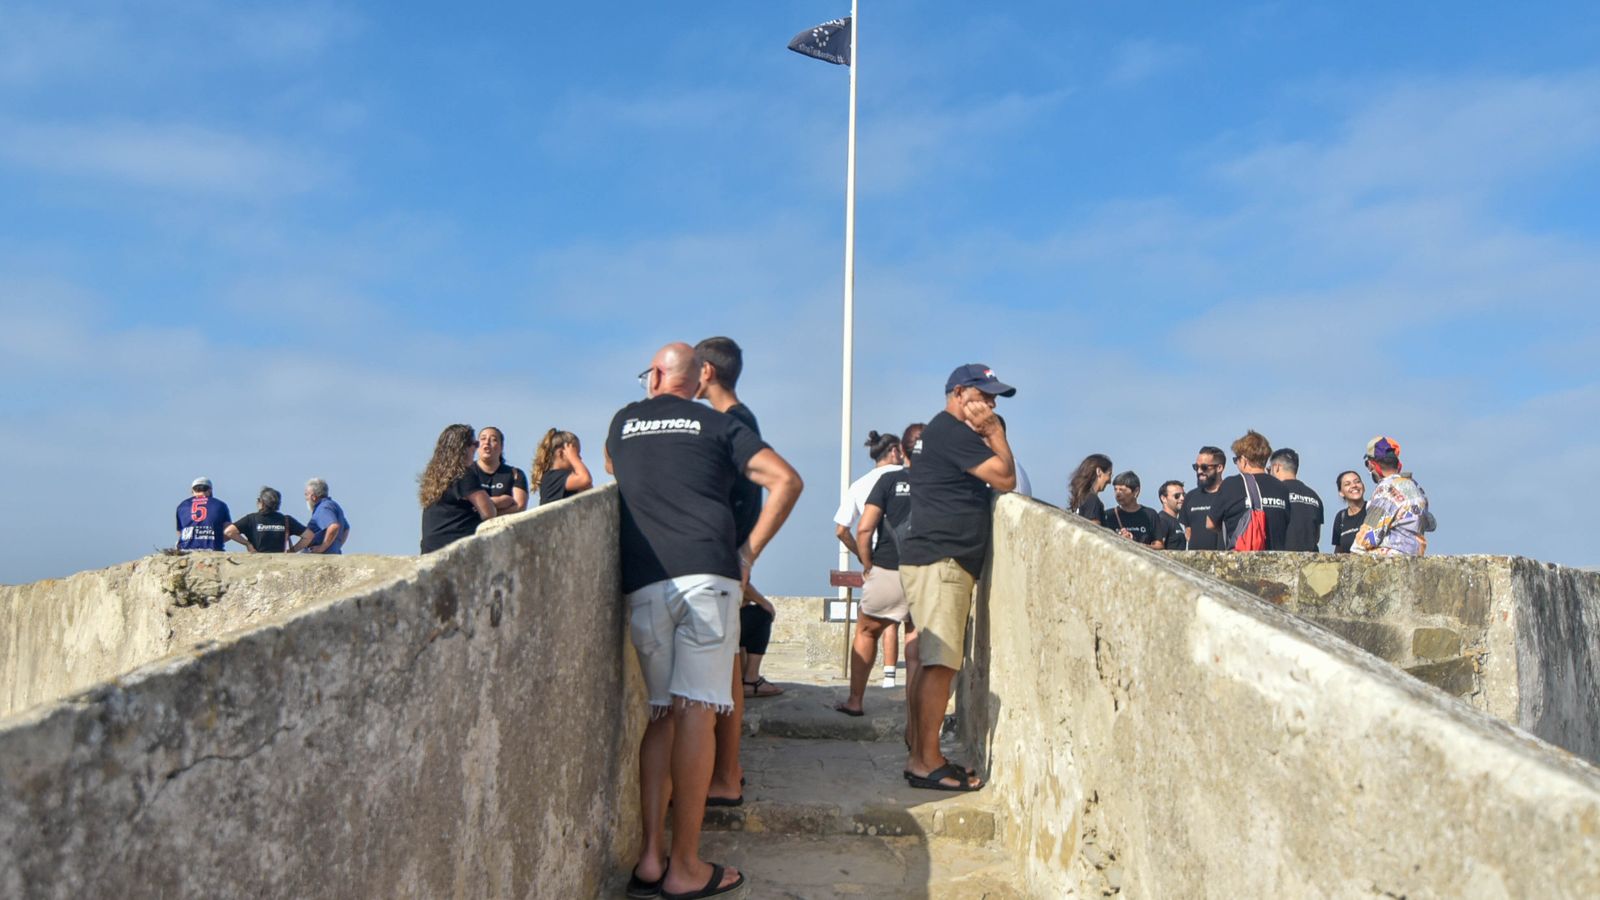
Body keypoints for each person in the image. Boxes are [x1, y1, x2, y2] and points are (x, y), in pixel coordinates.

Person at [609, 341, 802, 900]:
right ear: (697, 380)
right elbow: (786, 480)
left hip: (646, 583)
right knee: (697, 714)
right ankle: (686, 866)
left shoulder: (623, 423)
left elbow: (610, 463)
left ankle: (650, 858)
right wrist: (748, 555)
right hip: (706, 579)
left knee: (662, 714)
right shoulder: (716, 426)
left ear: (653, 379)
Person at [900, 363, 1017, 792]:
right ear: (960, 393)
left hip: (935, 558)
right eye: (985, 396)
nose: (990, 405)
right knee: (941, 665)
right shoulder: (953, 431)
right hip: (942, 561)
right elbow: (1005, 478)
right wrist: (996, 434)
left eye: (994, 400)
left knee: (934, 662)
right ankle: (925, 761)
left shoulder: (941, 431)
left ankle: (921, 752)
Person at [837, 430, 915, 716]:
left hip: (883, 566)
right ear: (896, 451)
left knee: (870, 629)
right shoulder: (934, 480)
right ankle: (910, 701)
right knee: (914, 634)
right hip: (922, 568)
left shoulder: (865, 483)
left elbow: (846, 529)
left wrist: (865, 560)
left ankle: (856, 699)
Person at [1352, 436, 1436, 557]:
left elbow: (1368, 538)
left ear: (1371, 465)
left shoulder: (1386, 490)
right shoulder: (1416, 487)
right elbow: (1431, 524)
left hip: (1392, 560)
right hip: (1416, 556)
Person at [1206, 431, 1290, 551]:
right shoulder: (1282, 488)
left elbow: (1210, 523)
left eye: (1236, 459)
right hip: (1276, 563)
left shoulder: (1231, 484)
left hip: (1244, 561)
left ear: (1244, 460)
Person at [418, 426, 496, 554]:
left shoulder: (434, 476)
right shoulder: (464, 474)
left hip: (430, 550)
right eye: (475, 444)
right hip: (455, 549)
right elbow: (489, 512)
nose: (476, 448)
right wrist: (500, 502)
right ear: (463, 448)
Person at [1269, 448, 1325, 552]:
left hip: (1282, 560)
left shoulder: (1273, 493)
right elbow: (1316, 537)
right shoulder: (1314, 496)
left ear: (1276, 467)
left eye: (1269, 469)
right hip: (1311, 561)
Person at [225, 487, 305, 553]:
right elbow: (308, 536)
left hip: (257, 562)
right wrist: (292, 551)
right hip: (279, 563)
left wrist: (247, 544)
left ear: (262, 502)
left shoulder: (251, 519)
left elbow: (229, 532)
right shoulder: (286, 520)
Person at [1180, 446, 1227, 550]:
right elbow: (1188, 530)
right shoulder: (1190, 497)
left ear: (1219, 468)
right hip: (1195, 562)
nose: (1199, 471)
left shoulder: (1231, 495)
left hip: (1225, 562)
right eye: (1196, 467)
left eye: (1204, 467)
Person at [475, 426, 529, 513]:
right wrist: (503, 501)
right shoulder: (466, 472)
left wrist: (487, 512)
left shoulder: (515, 474)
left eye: (493, 440)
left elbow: (520, 506)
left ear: (501, 447)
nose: (487, 442)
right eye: (483, 438)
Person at [531, 429, 593, 505]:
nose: (579, 458)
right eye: (577, 453)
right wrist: (573, 457)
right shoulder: (551, 478)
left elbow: (588, 487)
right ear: (561, 453)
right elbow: (585, 479)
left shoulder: (564, 477)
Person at [293, 478, 350, 554]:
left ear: (313, 497)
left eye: (306, 494)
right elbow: (346, 529)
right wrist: (336, 547)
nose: (305, 498)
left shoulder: (323, 508)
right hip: (332, 554)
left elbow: (334, 526)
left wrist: (322, 547)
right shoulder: (334, 506)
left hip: (319, 557)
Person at [1103, 471, 1161, 546]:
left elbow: (1159, 545)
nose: (1117, 494)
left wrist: (1137, 544)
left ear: (1136, 491)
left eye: (1122, 490)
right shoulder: (1109, 515)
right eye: (1115, 489)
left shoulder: (1150, 514)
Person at [175, 477, 231, 551]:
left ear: (192, 491)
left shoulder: (182, 506)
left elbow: (179, 532)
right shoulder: (220, 505)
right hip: (212, 548)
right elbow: (229, 531)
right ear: (210, 490)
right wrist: (217, 540)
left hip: (186, 548)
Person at [1067, 454, 1113, 524]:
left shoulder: (1081, 499)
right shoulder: (1092, 500)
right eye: (1109, 474)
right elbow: (1094, 530)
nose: (1110, 481)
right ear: (1099, 472)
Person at [1331, 470, 1367, 554]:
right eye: (1347, 484)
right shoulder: (1341, 517)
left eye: (1357, 482)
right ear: (1341, 492)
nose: (1354, 485)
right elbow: (1338, 551)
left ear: (1363, 487)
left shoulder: (1373, 509)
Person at [1155, 480, 1188, 551]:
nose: (1182, 498)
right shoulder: (1162, 520)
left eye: (1183, 495)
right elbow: (1157, 549)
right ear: (1163, 498)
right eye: (1177, 496)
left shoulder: (1175, 521)